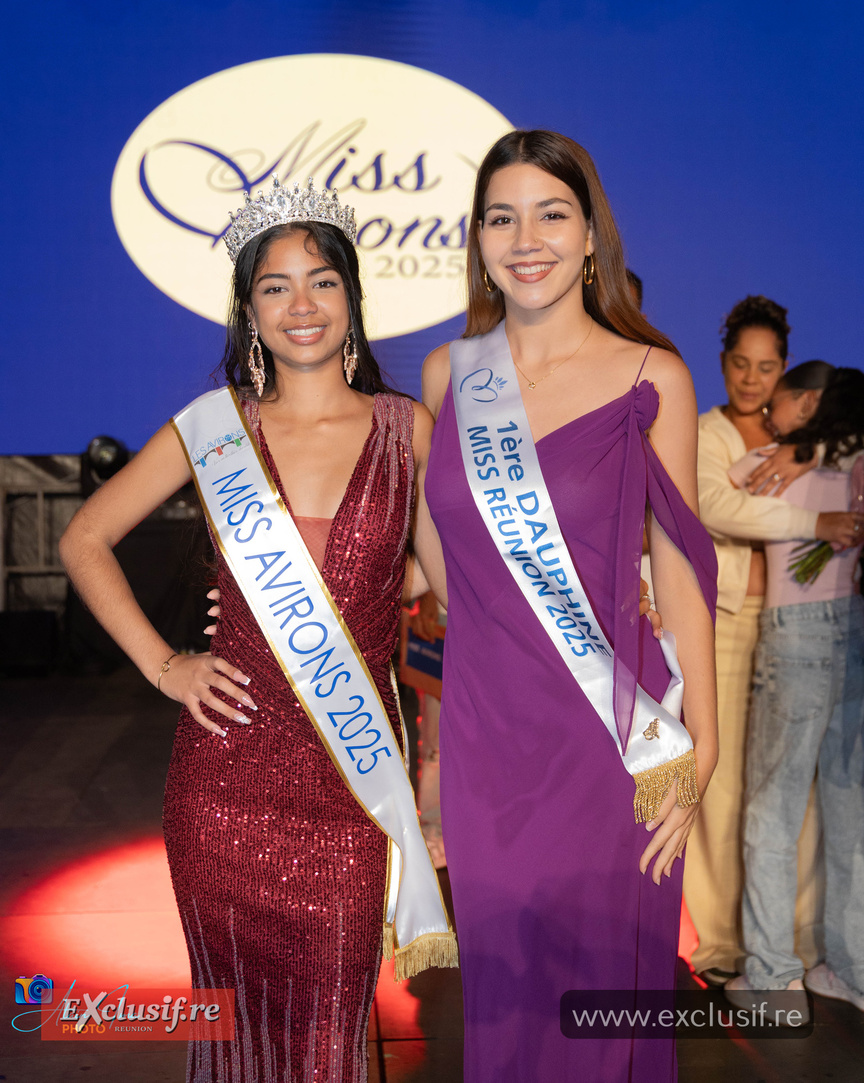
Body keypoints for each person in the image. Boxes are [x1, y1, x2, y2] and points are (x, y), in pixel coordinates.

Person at [59, 179, 456, 1082]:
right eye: (274, 287)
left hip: (351, 784)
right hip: (224, 778)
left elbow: (449, 580)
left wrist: (370, 591)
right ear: (247, 311)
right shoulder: (215, 428)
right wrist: (166, 664)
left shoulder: (407, 430)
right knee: (235, 1034)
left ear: (352, 297)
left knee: (330, 1031)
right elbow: (85, 538)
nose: (301, 304)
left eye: (321, 280)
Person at [415, 129, 719, 1082]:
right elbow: (438, 563)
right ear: (478, 239)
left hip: (606, 738)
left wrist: (700, 744)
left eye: (553, 213)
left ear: (592, 237)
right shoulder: (447, 375)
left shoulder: (649, 375)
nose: (527, 236)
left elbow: (680, 569)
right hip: (484, 736)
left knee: (598, 1004)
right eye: (502, 216)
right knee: (506, 1001)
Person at [685, 299, 859, 987]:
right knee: (725, 785)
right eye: (739, 364)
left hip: (804, 629)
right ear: (722, 362)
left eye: (767, 367)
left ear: (786, 373)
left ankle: (794, 942)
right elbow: (715, 504)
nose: (752, 379)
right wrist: (816, 517)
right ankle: (727, 941)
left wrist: (806, 446)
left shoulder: (815, 433)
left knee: (805, 797)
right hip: (731, 621)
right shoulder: (707, 431)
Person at [724, 364, 864, 1014]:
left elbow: (732, 485)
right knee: (849, 809)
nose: (768, 409)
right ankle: (852, 970)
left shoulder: (769, 459)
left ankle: (774, 975)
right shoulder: (853, 454)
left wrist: (794, 448)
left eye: (779, 399)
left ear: (807, 401)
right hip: (853, 628)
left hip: (797, 631)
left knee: (772, 810)